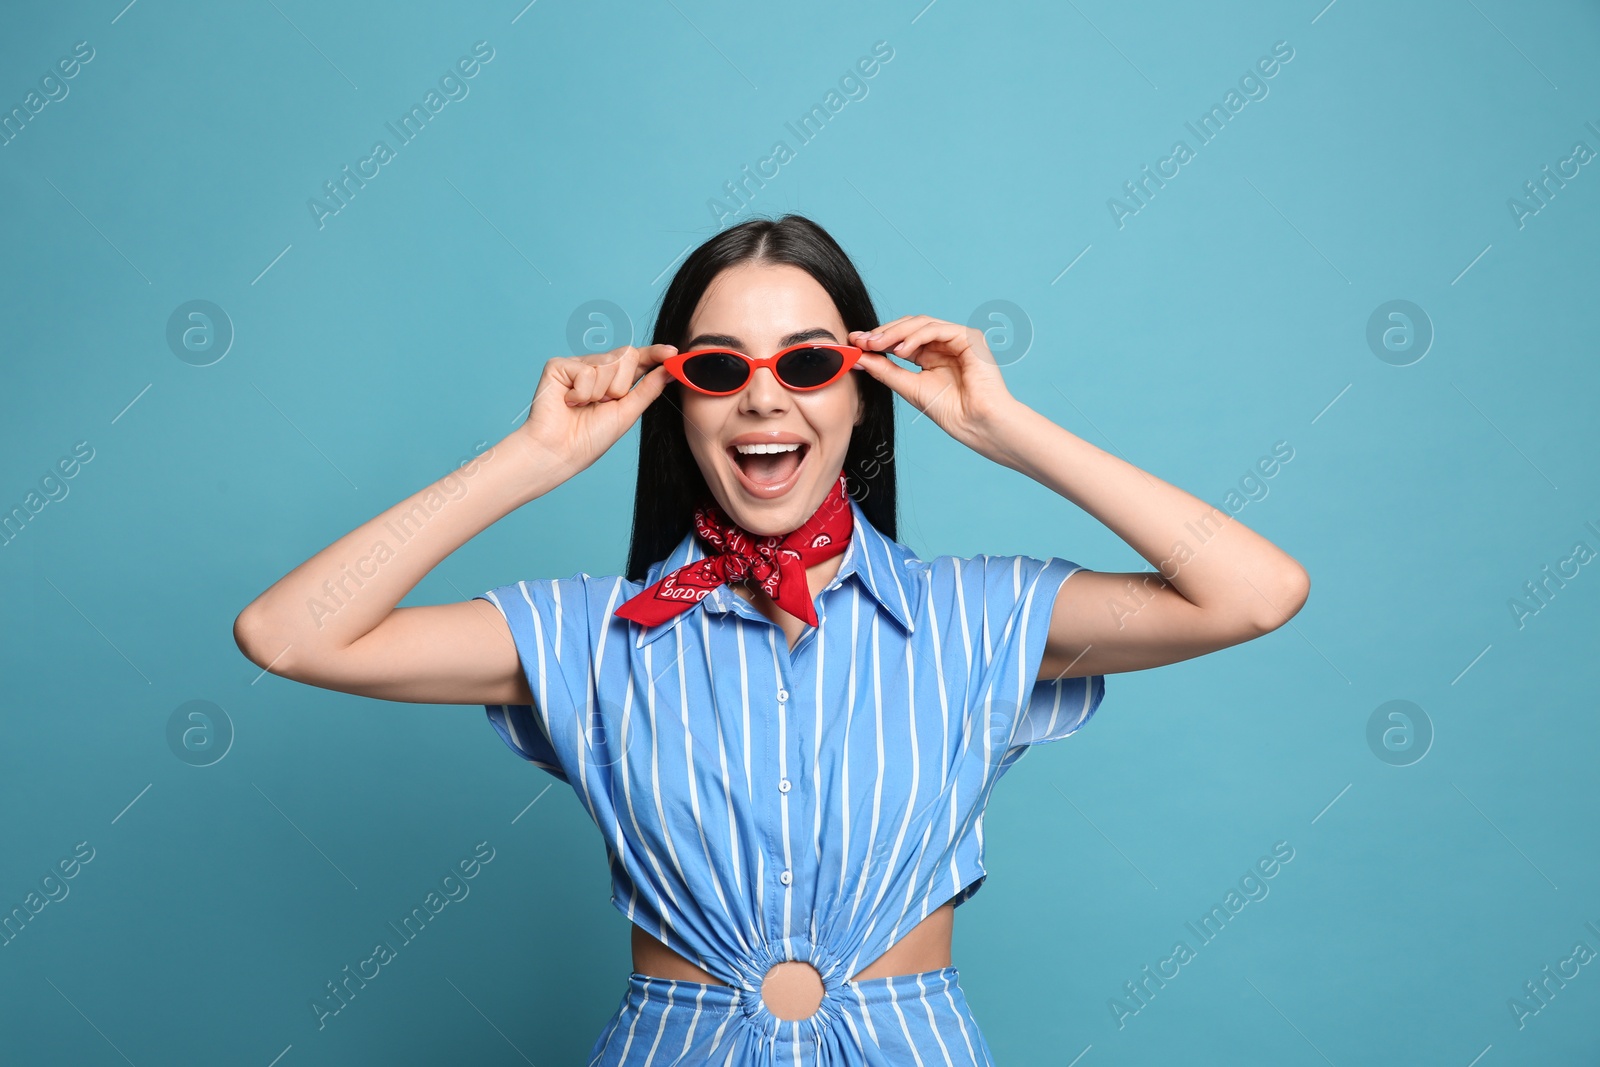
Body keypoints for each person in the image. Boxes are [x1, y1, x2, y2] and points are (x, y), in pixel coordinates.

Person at [233, 214, 1309, 1064]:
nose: (761, 397)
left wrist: (1002, 428)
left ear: (859, 389)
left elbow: (1253, 592)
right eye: (716, 368)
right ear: (676, 401)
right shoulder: (590, 636)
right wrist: (534, 460)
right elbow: (288, 633)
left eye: (804, 364)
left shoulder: (978, 619)